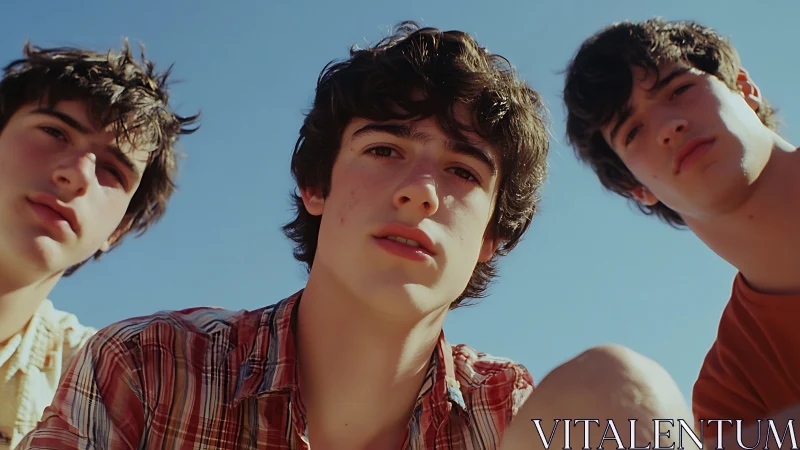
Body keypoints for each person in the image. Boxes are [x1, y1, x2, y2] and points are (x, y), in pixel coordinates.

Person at [18, 21, 550, 449]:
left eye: (464, 172)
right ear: (315, 186)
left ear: (490, 238)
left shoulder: (514, 417)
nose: (421, 192)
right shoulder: (149, 368)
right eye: (385, 150)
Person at [560, 17, 800, 442]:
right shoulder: (732, 393)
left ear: (745, 89)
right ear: (637, 187)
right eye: (633, 131)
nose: (669, 127)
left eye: (679, 90)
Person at [0, 41, 198, 448]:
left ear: (118, 230)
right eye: (54, 131)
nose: (77, 175)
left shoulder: (108, 385)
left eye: (112, 169)